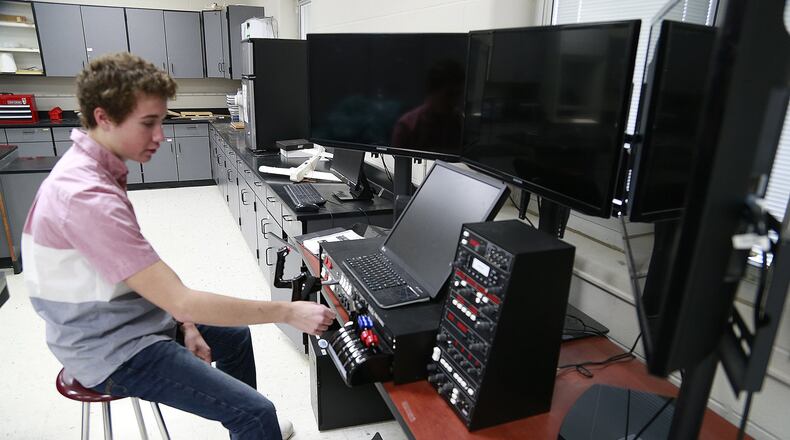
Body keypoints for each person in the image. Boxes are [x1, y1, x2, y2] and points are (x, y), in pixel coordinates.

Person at [21, 53, 334, 440]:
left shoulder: (96, 169)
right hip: (110, 349)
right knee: (257, 414)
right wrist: (287, 311)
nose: (160, 136)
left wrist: (184, 325)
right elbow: (180, 298)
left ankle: (246, 421)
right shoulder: (86, 196)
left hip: (125, 319)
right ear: (103, 118)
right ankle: (251, 423)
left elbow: (148, 277)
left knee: (234, 337)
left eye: (161, 121)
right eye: (148, 123)